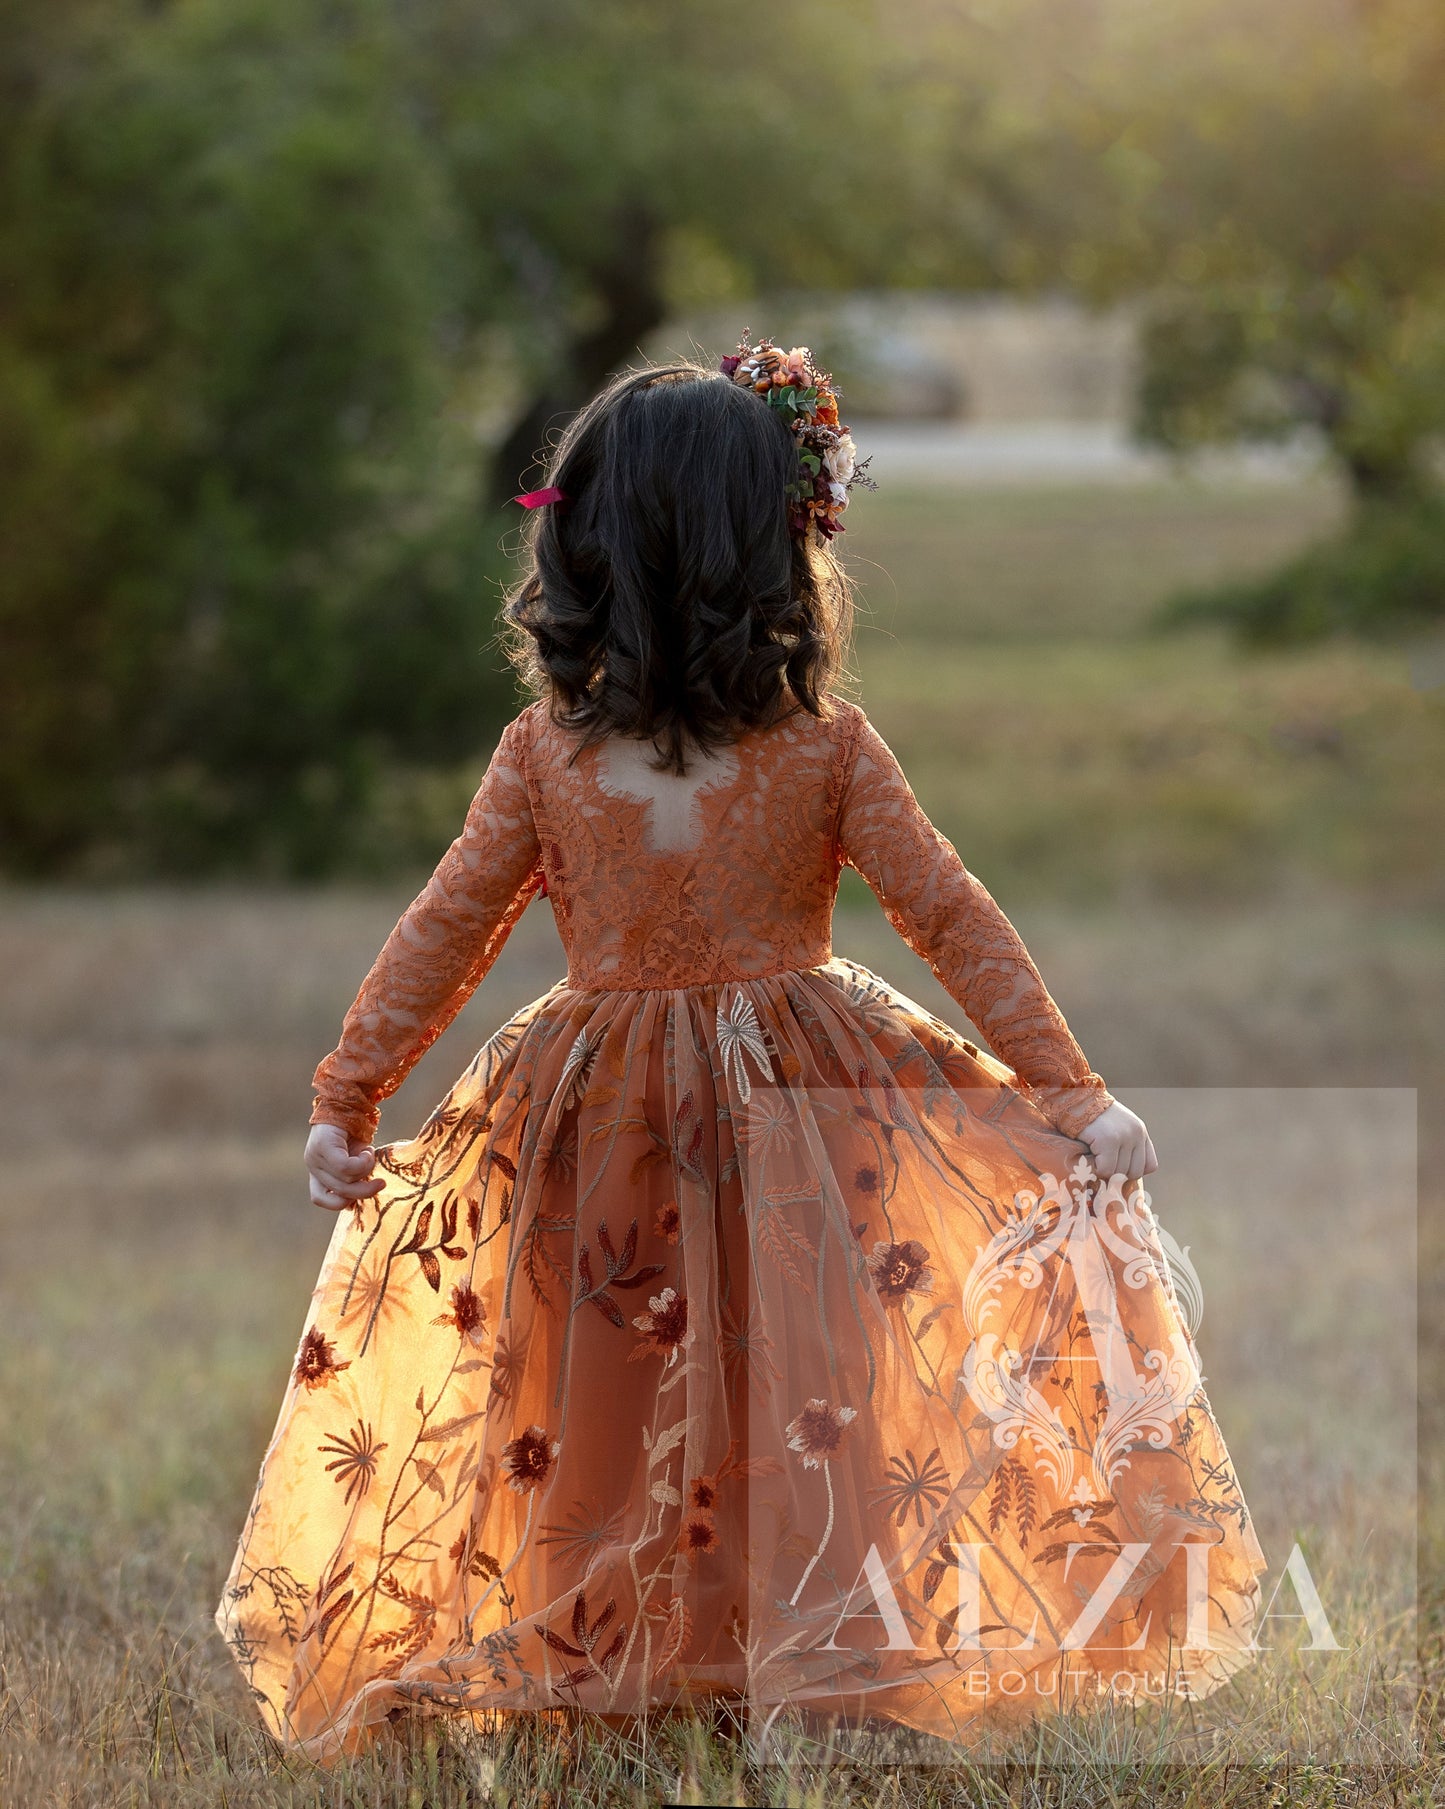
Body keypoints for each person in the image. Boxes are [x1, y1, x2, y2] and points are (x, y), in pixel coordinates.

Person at [214, 340, 1267, 1765]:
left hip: (595, 1116)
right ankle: (745, 1655)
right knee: (805, 1392)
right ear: (775, 548)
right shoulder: (810, 745)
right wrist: (1069, 1095)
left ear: (584, 548)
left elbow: (440, 929)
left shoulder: (560, 749)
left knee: (600, 1392)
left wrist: (354, 1090)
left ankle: (670, 1661)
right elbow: (946, 917)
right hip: (798, 1108)